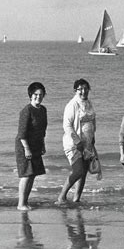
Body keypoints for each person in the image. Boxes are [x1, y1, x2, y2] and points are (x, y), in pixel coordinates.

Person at [56, 78, 97, 204]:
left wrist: (92, 140)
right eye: (80, 89)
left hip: (87, 144)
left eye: (86, 88)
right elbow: (67, 125)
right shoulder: (72, 105)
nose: (83, 91)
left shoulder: (89, 103)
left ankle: (76, 199)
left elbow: (92, 122)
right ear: (75, 90)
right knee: (78, 171)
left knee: (83, 173)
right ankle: (61, 197)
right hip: (74, 144)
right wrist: (77, 141)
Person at [15, 82, 48, 210]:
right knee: (26, 174)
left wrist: (43, 145)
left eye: (41, 94)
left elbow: (42, 130)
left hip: (36, 145)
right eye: (36, 94)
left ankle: (25, 202)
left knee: (33, 174)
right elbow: (21, 133)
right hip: (24, 145)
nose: (38, 97)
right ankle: (21, 204)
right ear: (30, 95)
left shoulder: (43, 110)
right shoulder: (26, 110)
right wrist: (27, 149)